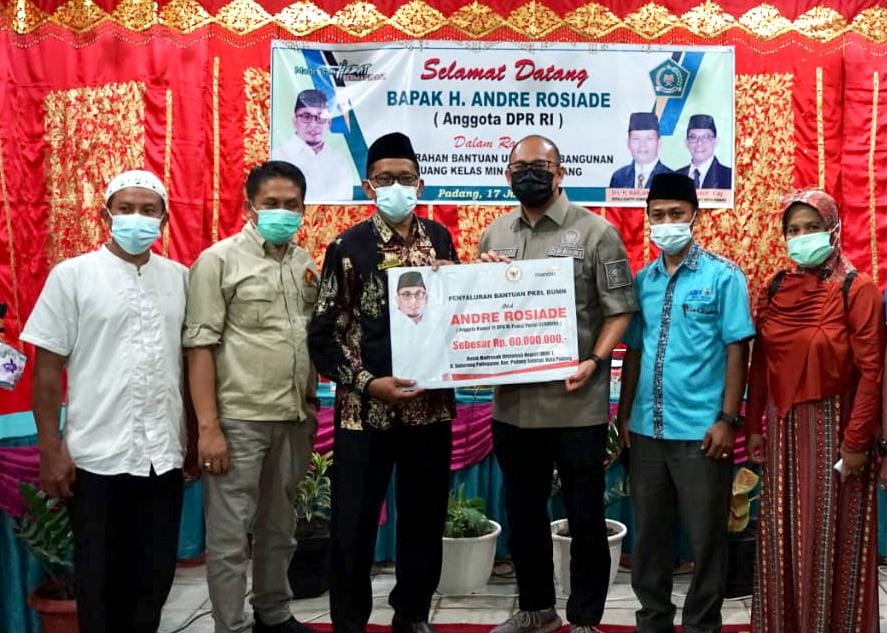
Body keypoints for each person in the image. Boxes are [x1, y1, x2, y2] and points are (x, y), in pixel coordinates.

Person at [480, 135, 638, 633]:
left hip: (576, 404)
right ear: (507, 175)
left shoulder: (597, 233)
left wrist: (595, 360)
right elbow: (478, 309)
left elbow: (620, 310)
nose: (529, 174)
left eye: (540, 166)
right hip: (513, 406)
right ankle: (536, 610)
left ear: (560, 172)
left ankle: (586, 618)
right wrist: (478, 280)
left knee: (584, 517)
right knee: (522, 514)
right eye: (519, 167)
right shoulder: (494, 234)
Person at [21, 170, 188, 633]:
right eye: (126, 209)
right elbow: (47, 370)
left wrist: (193, 436)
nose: (137, 218)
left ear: (164, 220)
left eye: (149, 210)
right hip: (96, 459)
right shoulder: (72, 277)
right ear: (105, 216)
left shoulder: (180, 279)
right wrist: (50, 450)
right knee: (99, 584)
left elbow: (190, 363)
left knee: (154, 579)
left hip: (162, 457)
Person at [308, 132, 458, 633]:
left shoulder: (439, 239)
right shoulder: (347, 246)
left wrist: (471, 281)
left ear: (420, 183)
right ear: (368, 184)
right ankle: (350, 621)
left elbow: (457, 314)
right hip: (364, 411)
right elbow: (323, 336)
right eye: (386, 178)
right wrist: (368, 383)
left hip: (429, 408)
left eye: (406, 178)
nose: (397, 186)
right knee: (353, 524)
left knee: (424, 520)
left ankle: (412, 614)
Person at [183, 161, 319, 633]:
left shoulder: (305, 264)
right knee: (228, 538)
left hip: (293, 418)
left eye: (291, 205)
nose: (282, 212)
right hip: (238, 420)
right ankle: (231, 624)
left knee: (280, 529)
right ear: (249, 207)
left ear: (303, 209)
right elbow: (199, 347)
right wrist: (208, 428)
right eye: (271, 204)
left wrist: (311, 403)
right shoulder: (218, 261)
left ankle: (274, 613)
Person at [617, 172, 754, 633]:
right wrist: (623, 418)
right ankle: (652, 620)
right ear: (648, 219)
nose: (667, 223)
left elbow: (738, 349)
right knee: (650, 540)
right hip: (647, 432)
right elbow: (634, 351)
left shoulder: (723, 276)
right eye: (658, 215)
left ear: (694, 215)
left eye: (676, 213)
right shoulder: (643, 281)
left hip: (702, 433)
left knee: (706, 541)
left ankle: (701, 625)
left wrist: (728, 419)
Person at [745, 188, 883, 633]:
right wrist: (754, 427)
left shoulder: (857, 288)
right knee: (782, 537)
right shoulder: (775, 287)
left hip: (835, 432)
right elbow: (761, 363)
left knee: (827, 539)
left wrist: (856, 442)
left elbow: (872, 372)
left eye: (812, 227)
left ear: (834, 229)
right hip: (782, 431)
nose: (802, 236)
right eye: (794, 229)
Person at [271, 89, 353, 202]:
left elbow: (347, 206)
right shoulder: (276, 158)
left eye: (321, 118)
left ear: (329, 123)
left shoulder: (340, 162)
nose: (313, 124)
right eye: (306, 117)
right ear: (294, 121)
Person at [609, 112, 672, 189]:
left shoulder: (672, 178)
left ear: (659, 143)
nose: (642, 144)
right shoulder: (618, 178)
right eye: (636, 138)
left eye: (649, 138)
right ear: (628, 143)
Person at [676, 114, 732, 189]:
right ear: (686, 142)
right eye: (693, 137)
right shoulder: (675, 177)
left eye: (706, 137)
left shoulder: (729, 176)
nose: (699, 143)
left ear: (716, 142)